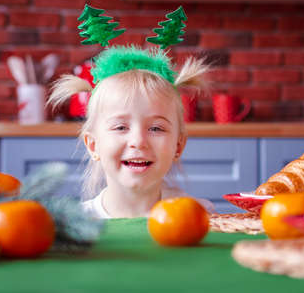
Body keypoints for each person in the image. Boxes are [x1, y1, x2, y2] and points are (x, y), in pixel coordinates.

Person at [47, 45, 214, 218]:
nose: (138, 141)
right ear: (93, 145)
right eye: (121, 127)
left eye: (156, 128)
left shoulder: (198, 217)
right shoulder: (77, 223)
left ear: (178, 146)